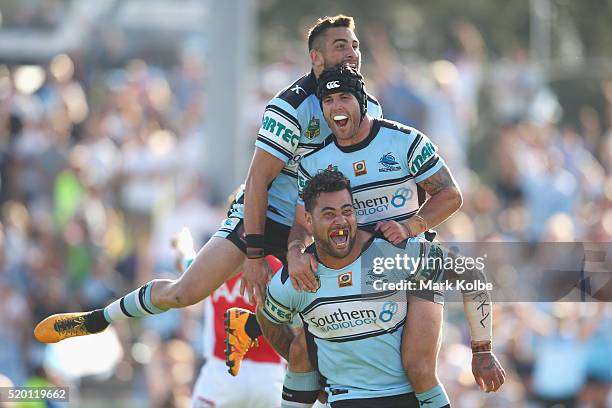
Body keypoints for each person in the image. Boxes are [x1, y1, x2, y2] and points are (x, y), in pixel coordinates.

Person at [33, 15, 381, 379]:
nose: (352, 52)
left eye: (355, 45)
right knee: (187, 292)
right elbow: (258, 180)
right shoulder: (291, 107)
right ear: (317, 58)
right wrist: (255, 253)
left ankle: (253, 331)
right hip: (266, 217)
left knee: (326, 315)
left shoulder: (370, 108)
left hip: (316, 223)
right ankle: (96, 319)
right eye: (341, 45)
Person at [229, 64, 505, 403]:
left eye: (344, 97)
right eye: (328, 101)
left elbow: (451, 196)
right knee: (301, 351)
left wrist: (409, 227)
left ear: (361, 101)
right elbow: (303, 223)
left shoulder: (405, 140)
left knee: (417, 367)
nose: (337, 107)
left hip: (407, 266)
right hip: (348, 265)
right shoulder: (314, 162)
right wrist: (296, 252)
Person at [258, 168, 501, 407]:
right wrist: (311, 374)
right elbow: (267, 316)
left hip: (409, 398)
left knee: (420, 367)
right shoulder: (298, 277)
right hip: (345, 399)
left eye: (347, 211)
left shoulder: (390, 254)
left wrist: (481, 350)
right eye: (329, 214)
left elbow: (470, 272)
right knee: (301, 350)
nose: (341, 221)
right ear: (309, 221)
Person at [171, 228, 285, 408]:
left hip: (221, 375)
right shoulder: (280, 266)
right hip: (270, 380)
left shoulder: (217, 264)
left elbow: (185, 265)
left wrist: (182, 244)